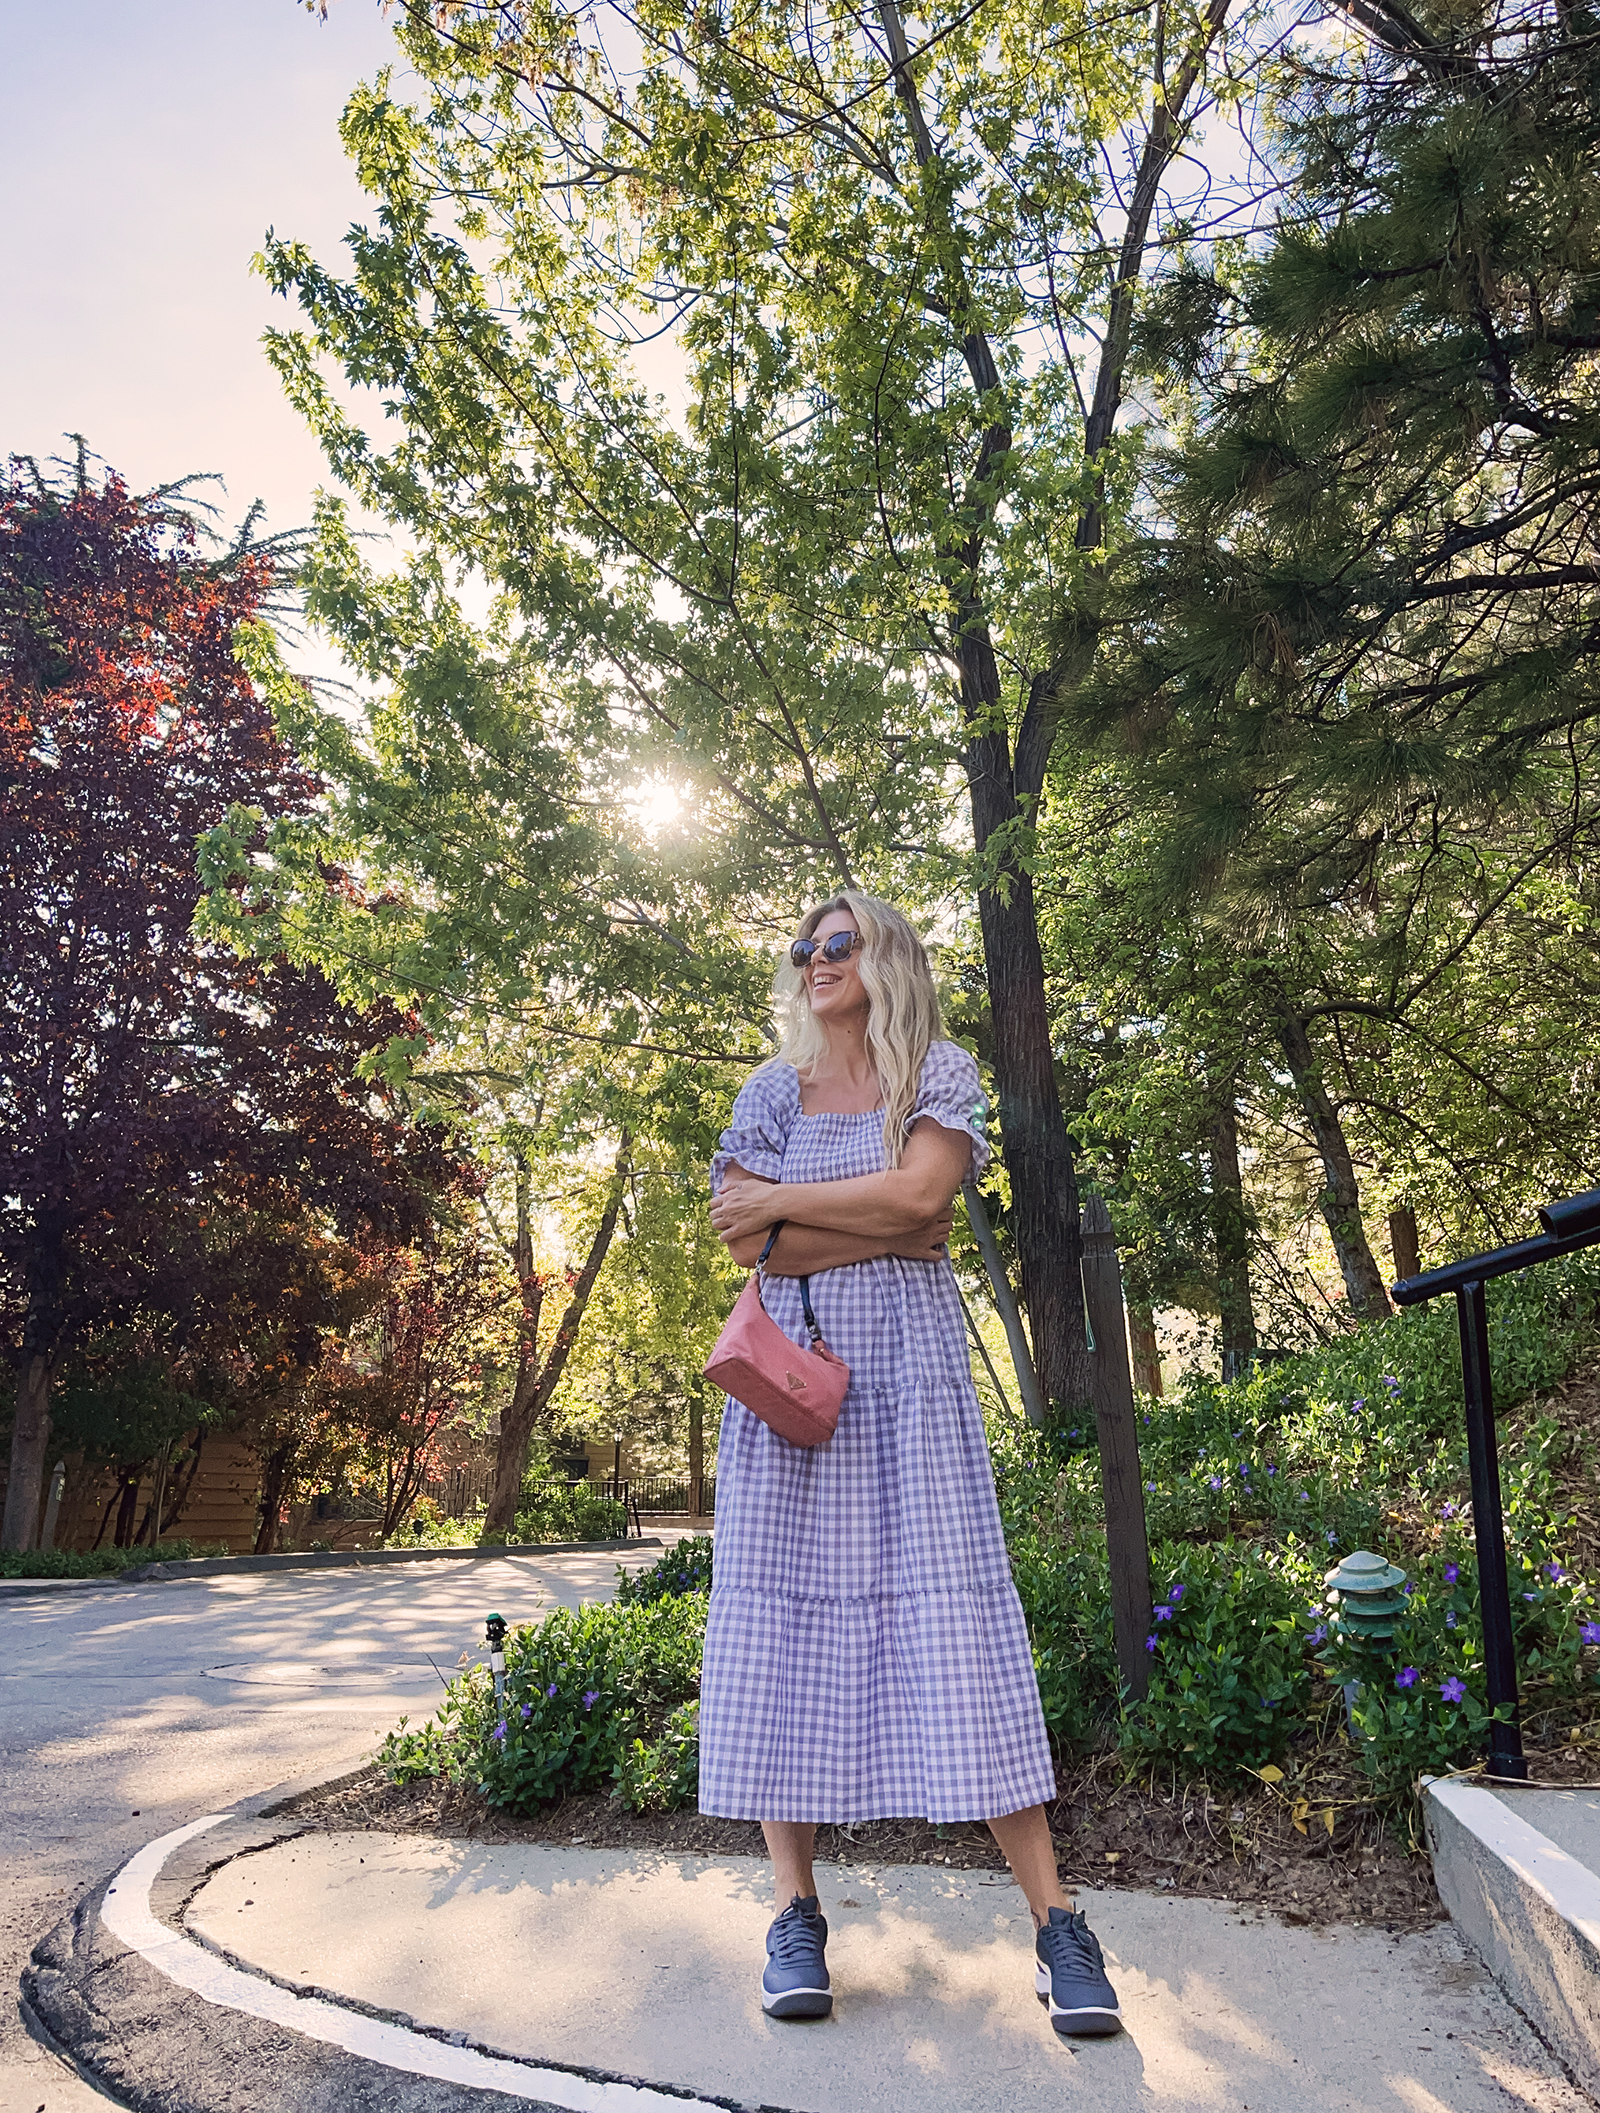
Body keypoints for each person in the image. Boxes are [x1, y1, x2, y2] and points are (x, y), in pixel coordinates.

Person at [706, 890, 1121, 2037]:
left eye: (837, 943)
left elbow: (929, 1199)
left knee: (961, 1629)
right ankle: (795, 1914)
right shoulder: (767, 1092)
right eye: (802, 948)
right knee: (781, 1633)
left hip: (912, 1389)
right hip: (795, 1388)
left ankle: (1057, 1924)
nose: (815, 960)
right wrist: (879, 1216)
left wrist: (809, 1209)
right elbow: (752, 1235)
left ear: (884, 957)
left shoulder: (934, 1069)